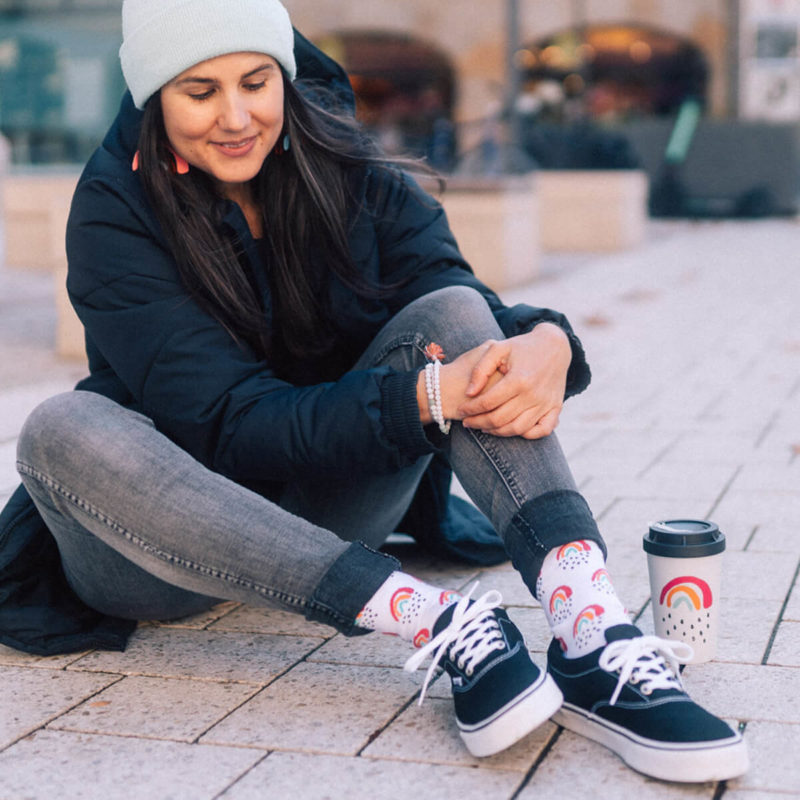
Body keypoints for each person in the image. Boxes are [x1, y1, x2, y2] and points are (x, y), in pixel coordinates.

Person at [4, 0, 747, 782]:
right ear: (155, 97)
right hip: (158, 548)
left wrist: (551, 342)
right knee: (60, 428)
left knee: (456, 317)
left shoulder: (345, 170)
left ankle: (589, 631)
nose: (234, 117)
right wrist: (425, 400)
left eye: (256, 82)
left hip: (331, 508)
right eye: (198, 92)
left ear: (284, 77)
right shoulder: (113, 212)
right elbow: (230, 421)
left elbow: (455, 294)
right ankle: (438, 625)